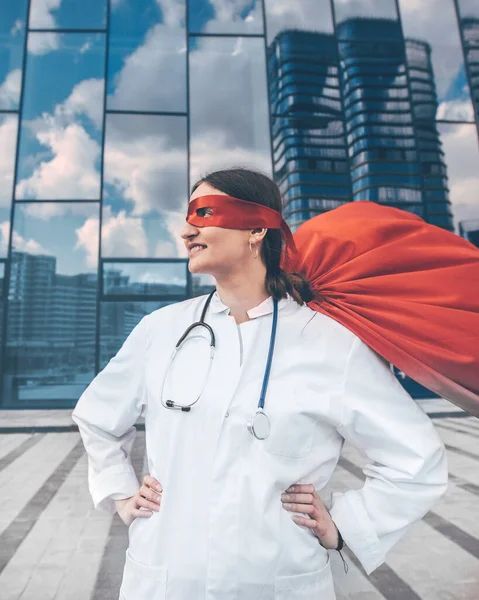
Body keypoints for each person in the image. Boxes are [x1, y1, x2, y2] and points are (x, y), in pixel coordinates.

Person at [72, 168, 449, 599]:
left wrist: (344, 525)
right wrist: (121, 495)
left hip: (277, 581)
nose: (185, 231)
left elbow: (416, 459)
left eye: (204, 213)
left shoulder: (329, 344)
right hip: (166, 577)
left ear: (256, 228)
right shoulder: (160, 330)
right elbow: (97, 417)